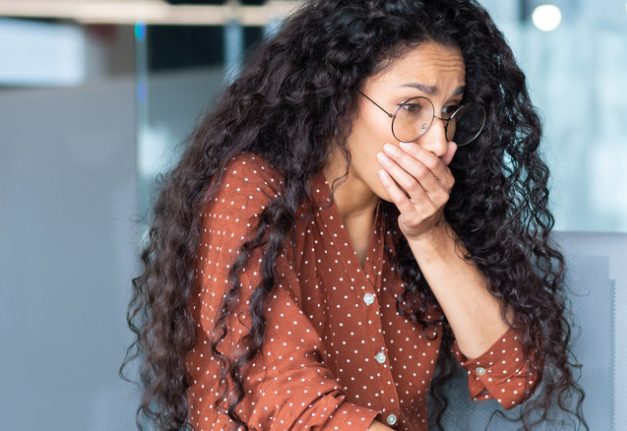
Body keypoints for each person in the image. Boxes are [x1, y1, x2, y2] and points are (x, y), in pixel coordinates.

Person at [122, 0, 587, 430]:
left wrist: (430, 236)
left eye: (449, 112)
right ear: (337, 97)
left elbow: (513, 374)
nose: (439, 143)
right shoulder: (249, 190)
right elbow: (281, 394)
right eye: (411, 108)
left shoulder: (411, 219)